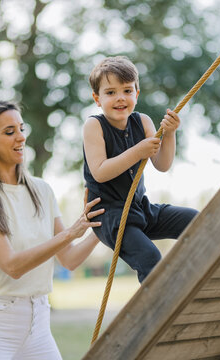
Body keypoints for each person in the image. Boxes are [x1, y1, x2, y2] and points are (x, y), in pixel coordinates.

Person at [0, 101, 104, 360]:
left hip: (39, 325)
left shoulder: (42, 191)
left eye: (21, 128)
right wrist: (70, 233)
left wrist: (104, 227)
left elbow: (69, 259)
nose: (21, 137)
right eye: (9, 131)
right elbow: (12, 266)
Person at [83, 56, 198, 283]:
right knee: (150, 257)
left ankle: (196, 276)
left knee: (195, 220)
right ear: (97, 98)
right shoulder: (94, 126)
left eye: (127, 90)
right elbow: (100, 171)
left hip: (140, 207)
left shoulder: (143, 121)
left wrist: (170, 134)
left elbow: (162, 165)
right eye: (111, 92)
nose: (120, 98)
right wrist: (137, 151)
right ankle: (159, 310)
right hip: (110, 216)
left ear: (137, 93)